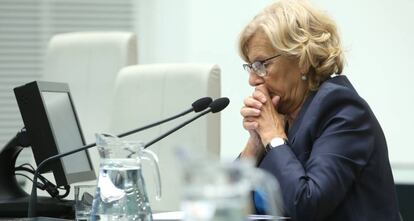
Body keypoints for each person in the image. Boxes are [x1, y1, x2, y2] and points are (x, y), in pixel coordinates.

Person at [237, 0, 400, 220]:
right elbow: (228, 201)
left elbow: (307, 204)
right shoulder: (281, 117)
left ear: (302, 59)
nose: (252, 79)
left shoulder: (342, 109)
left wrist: (273, 138)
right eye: (250, 66)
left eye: (262, 65)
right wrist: (255, 144)